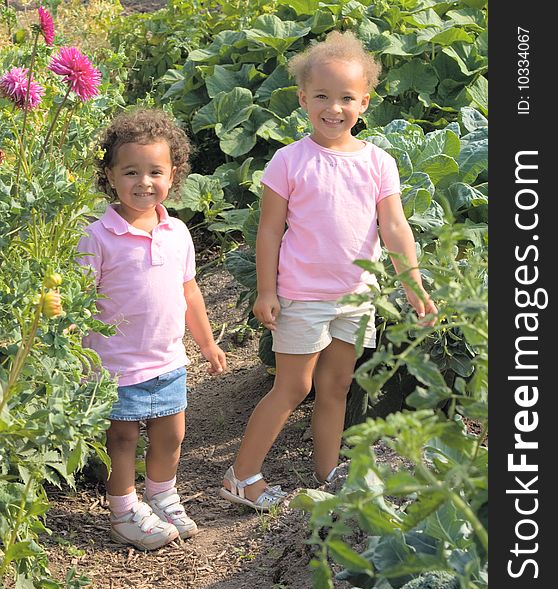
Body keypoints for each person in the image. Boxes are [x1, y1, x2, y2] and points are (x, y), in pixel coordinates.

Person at [219, 31, 437, 511]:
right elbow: (269, 233)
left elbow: (395, 228)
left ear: (365, 101)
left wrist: (413, 283)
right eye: (321, 96)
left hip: (357, 297)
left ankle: (329, 475)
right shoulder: (288, 161)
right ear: (302, 98)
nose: (333, 108)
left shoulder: (379, 162)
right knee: (293, 386)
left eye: (345, 98)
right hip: (302, 295)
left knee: (336, 386)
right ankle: (242, 475)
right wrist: (265, 290)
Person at [78, 108, 227, 550]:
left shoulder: (177, 231)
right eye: (131, 171)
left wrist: (207, 342)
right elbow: (79, 302)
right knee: (121, 438)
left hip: (167, 359)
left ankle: (162, 496)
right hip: (113, 363)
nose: (144, 182)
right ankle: (123, 509)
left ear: (174, 174)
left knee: (171, 433)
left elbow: (190, 293)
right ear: (109, 175)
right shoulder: (98, 236)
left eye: (155, 171)